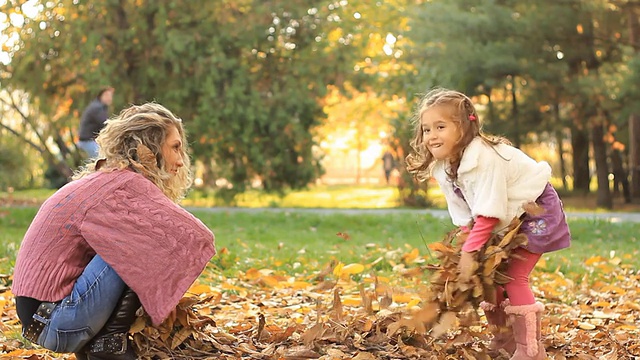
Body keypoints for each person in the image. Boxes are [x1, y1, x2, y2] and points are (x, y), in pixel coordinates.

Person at [12, 103, 216, 359]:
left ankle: (103, 343)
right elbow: (196, 236)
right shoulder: (125, 185)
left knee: (138, 236)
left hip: (42, 320)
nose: (180, 160)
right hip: (59, 320)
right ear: (150, 147)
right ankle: (108, 343)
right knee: (147, 239)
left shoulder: (107, 179)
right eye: (175, 147)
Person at [406, 88, 570, 360]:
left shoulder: (484, 158)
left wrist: (471, 253)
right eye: (426, 129)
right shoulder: (444, 166)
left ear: (464, 127)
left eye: (441, 127)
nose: (432, 135)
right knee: (490, 279)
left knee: (514, 276)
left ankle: (530, 351)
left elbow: (490, 211)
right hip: (504, 220)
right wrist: (468, 245)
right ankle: (505, 341)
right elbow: (463, 211)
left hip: (535, 210)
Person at [77, 87, 115, 158]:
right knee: (104, 161)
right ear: (100, 96)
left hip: (89, 141)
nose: (109, 98)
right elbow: (105, 124)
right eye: (106, 95)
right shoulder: (97, 108)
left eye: (110, 96)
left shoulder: (99, 106)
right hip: (88, 142)